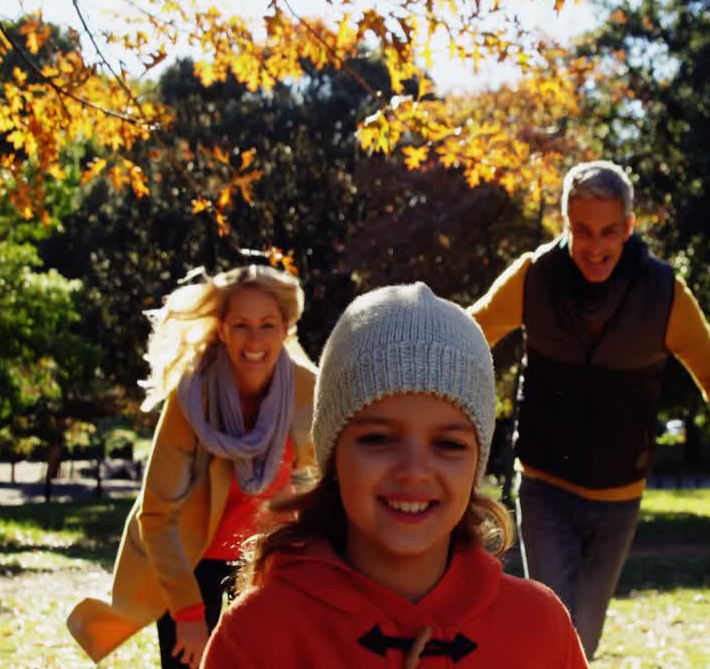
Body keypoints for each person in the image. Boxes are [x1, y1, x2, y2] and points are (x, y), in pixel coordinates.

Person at [467, 160, 710, 659]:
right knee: (556, 623)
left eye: (609, 231)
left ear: (630, 226)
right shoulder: (534, 277)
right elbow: (471, 327)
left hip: (619, 493)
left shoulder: (664, 292)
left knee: (582, 636)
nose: (595, 247)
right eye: (582, 230)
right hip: (546, 482)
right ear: (566, 220)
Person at [200, 283, 588, 669]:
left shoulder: (539, 627)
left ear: (476, 463)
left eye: (448, 444)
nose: (414, 471)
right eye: (378, 439)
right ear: (333, 456)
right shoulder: (256, 636)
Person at [67, 265, 317, 668]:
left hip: (265, 563)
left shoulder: (308, 389)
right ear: (221, 328)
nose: (254, 340)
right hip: (189, 563)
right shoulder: (194, 395)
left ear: (285, 328)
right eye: (241, 325)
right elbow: (157, 515)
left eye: (267, 325)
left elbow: (323, 483)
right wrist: (187, 615)